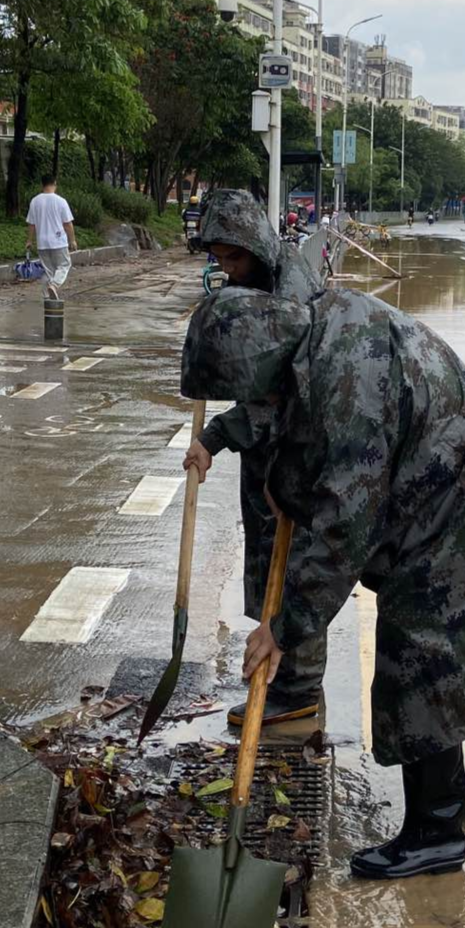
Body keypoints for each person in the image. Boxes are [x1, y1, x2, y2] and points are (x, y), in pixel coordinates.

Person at [181, 286, 465, 881]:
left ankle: (435, 833)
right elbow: (277, 402)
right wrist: (242, 446)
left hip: (453, 509)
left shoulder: (350, 381)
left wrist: (285, 628)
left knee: (424, 658)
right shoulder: (315, 326)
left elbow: (341, 527)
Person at [181, 189, 326, 730]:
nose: (228, 269)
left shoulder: (292, 298)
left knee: (292, 566)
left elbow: (276, 402)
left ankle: (295, 686)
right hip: (267, 446)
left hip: (294, 439)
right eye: (219, 259)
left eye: (235, 258)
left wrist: (217, 436)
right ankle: (276, 662)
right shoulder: (252, 279)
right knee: (267, 557)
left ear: (258, 248)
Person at [24, 173, 77, 300]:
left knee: (49, 271)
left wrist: (29, 240)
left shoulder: (35, 201)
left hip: (42, 242)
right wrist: (72, 240)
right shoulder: (60, 201)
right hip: (58, 241)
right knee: (64, 265)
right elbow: (68, 224)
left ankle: (47, 296)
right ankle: (54, 285)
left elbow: (32, 224)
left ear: (42, 185)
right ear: (55, 183)